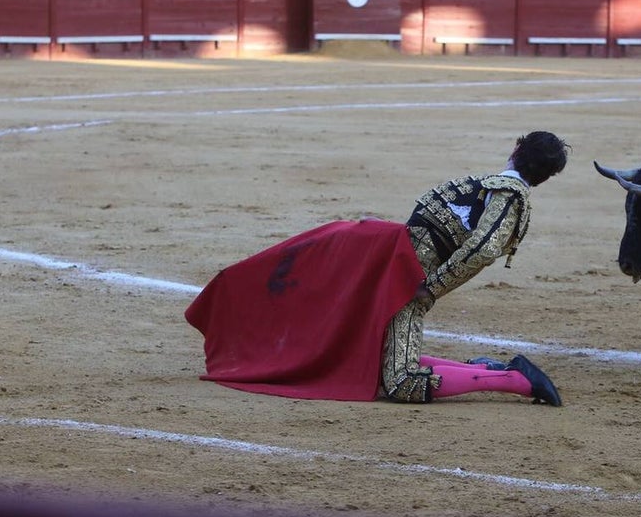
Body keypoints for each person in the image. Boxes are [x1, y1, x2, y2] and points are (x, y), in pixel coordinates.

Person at [185, 131, 570, 407]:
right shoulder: (496, 189)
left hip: (406, 277)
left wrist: (431, 287)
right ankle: (488, 368)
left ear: (516, 148)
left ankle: (515, 381)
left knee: (399, 382)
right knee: (373, 354)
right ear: (546, 176)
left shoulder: (503, 192)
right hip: (396, 264)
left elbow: (484, 249)